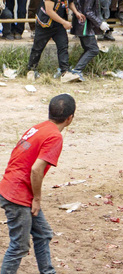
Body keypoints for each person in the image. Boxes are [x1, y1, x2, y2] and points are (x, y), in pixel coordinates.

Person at [0, 93, 76, 273]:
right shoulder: (55, 137)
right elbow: (36, 169)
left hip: (12, 186)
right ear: (70, 118)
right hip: (18, 194)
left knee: (43, 233)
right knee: (19, 246)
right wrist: (37, 199)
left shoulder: (39, 127)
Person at [27, 0, 85, 81]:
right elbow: (49, 11)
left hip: (58, 25)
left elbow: (70, 2)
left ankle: (64, 72)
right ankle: (31, 70)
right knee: (37, 48)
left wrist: (76, 13)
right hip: (45, 24)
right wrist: (64, 22)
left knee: (63, 47)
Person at [70, 0, 109, 81]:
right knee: (93, 49)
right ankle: (77, 70)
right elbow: (88, 11)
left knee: (88, 48)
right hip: (85, 26)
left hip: (81, 24)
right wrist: (100, 23)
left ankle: (77, 69)